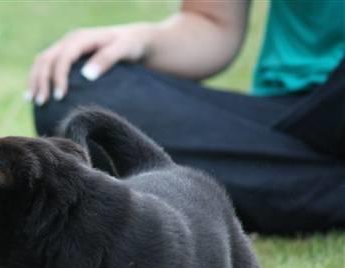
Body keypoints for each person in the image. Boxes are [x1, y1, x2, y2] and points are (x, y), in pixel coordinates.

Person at [27, 0, 345, 235]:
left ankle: (282, 195)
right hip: (290, 119)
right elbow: (211, 21)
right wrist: (140, 39)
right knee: (73, 92)